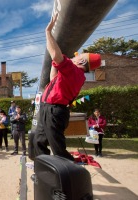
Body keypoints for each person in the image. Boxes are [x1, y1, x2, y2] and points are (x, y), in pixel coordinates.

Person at [33, 14, 102, 161]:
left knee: (58, 149)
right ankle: (44, 172)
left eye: (77, 55)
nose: (73, 56)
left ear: (82, 61)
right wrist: (54, 62)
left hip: (53, 110)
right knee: (38, 141)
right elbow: (53, 78)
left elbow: (56, 54)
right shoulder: (73, 74)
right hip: (48, 108)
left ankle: (67, 174)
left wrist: (48, 32)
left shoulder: (73, 71)